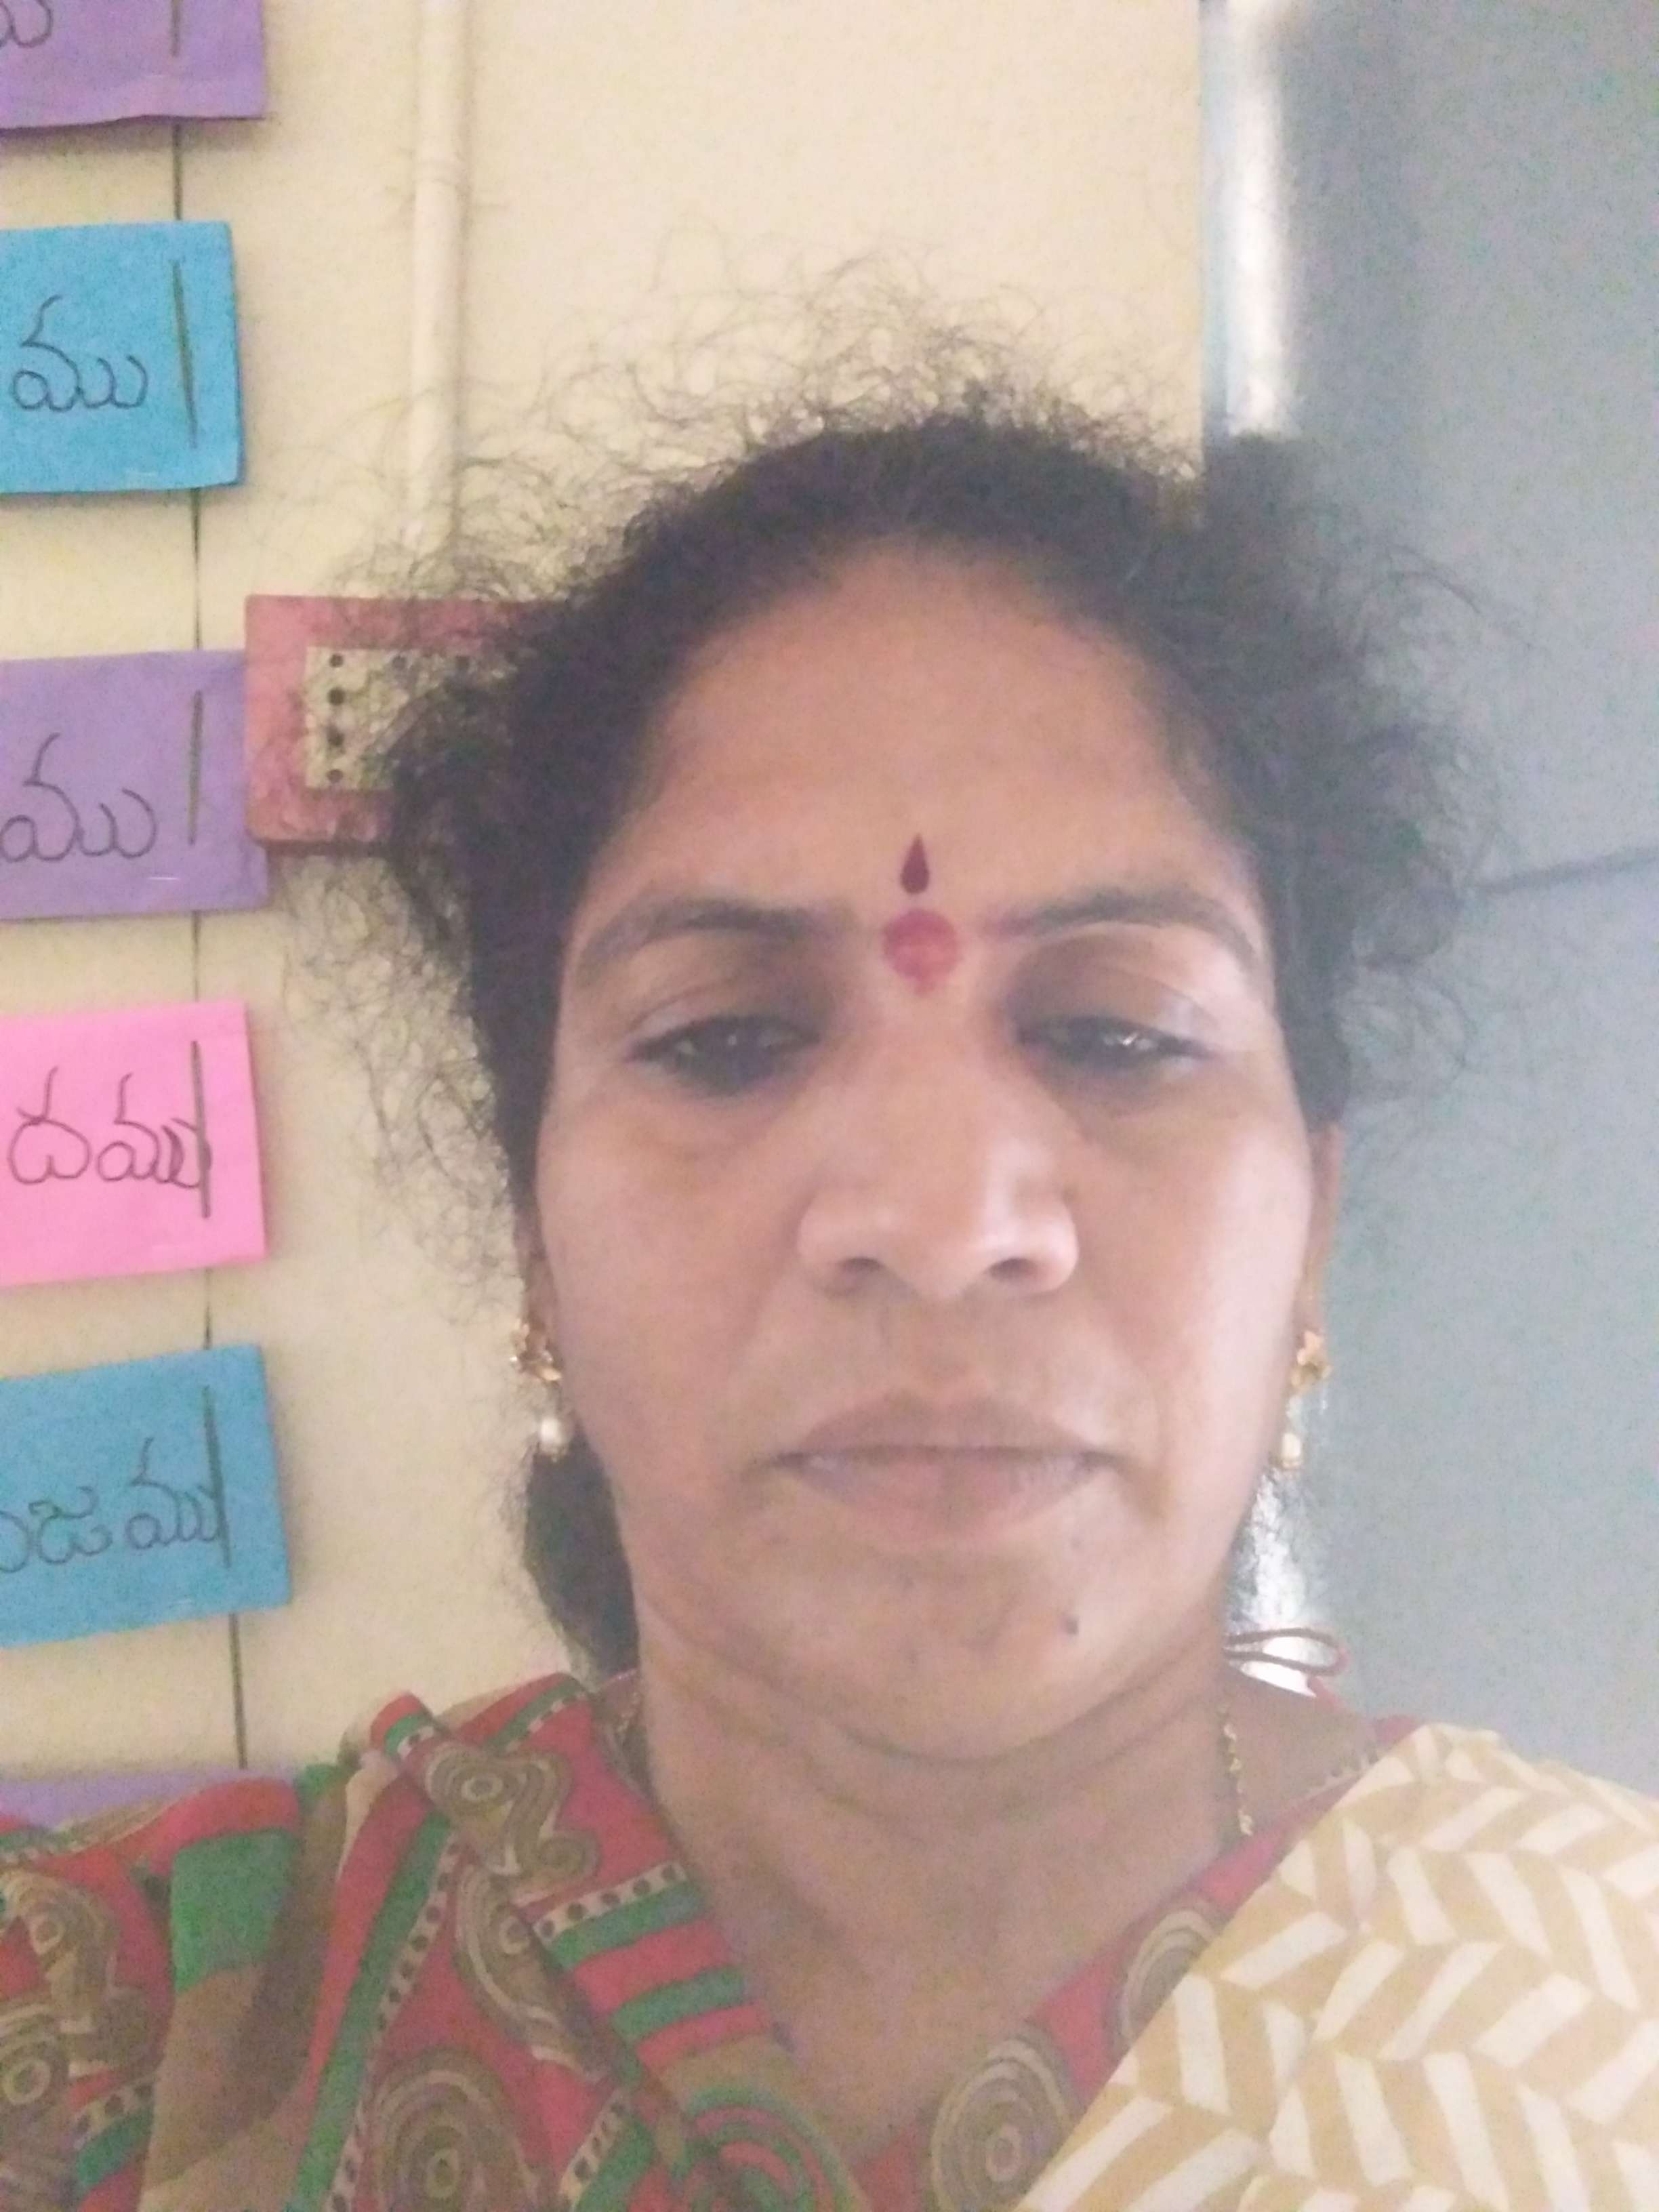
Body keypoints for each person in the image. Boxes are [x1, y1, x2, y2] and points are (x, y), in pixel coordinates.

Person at [2, 378, 1654, 2212]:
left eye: (1117, 1035)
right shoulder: (126, 2042)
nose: (944, 1221)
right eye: (726, 1039)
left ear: (1312, 1227)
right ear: (538, 1236)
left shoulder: (1609, 2020)